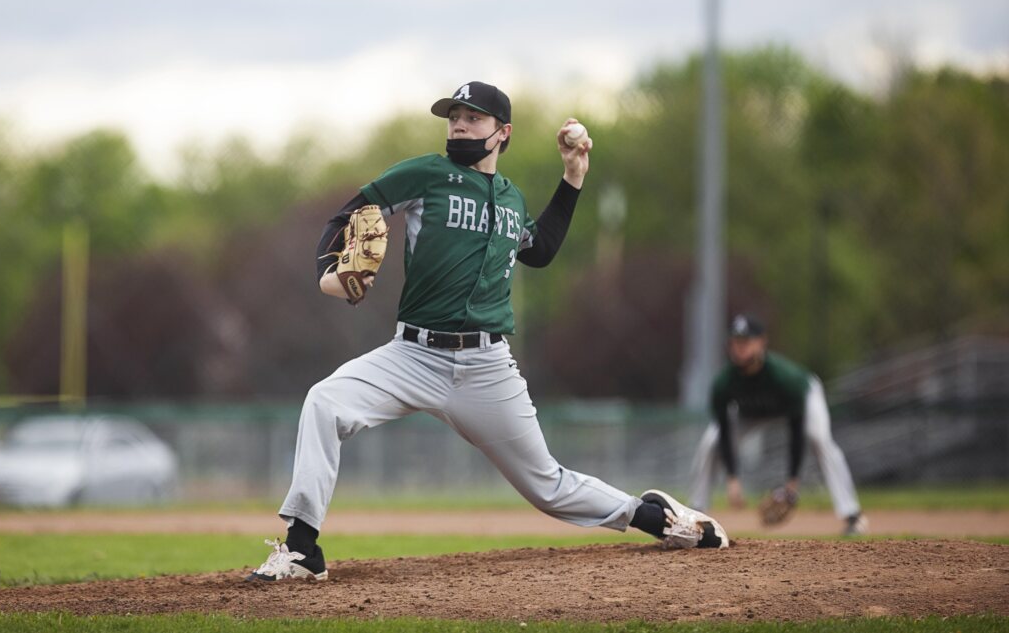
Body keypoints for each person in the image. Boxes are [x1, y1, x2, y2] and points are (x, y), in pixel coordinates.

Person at [247, 81, 729, 582]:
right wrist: (331, 265)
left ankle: (659, 517)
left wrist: (573, 177)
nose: (458, 124)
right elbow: (346, 213)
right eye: (454, 115)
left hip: (486, 367)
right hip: (411, 355)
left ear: (503, 132)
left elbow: (539, 251)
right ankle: (303, 550)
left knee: (548, 486)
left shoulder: (511, 198)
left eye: (473, 117)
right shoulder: (426, 174)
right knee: (325, 402)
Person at [688, 313, 868, 536]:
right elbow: (724, 430)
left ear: (762, 341)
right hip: (753, 413)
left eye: (746, 341)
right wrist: (733, 478)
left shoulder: (785, 379)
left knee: (819, 438)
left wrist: (792, 482)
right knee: (710, 443)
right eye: (735, 342)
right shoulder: (724, 383)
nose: (740, 347)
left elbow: (796, 429)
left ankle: (852, 515)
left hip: (804, 396)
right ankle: (693, 515)